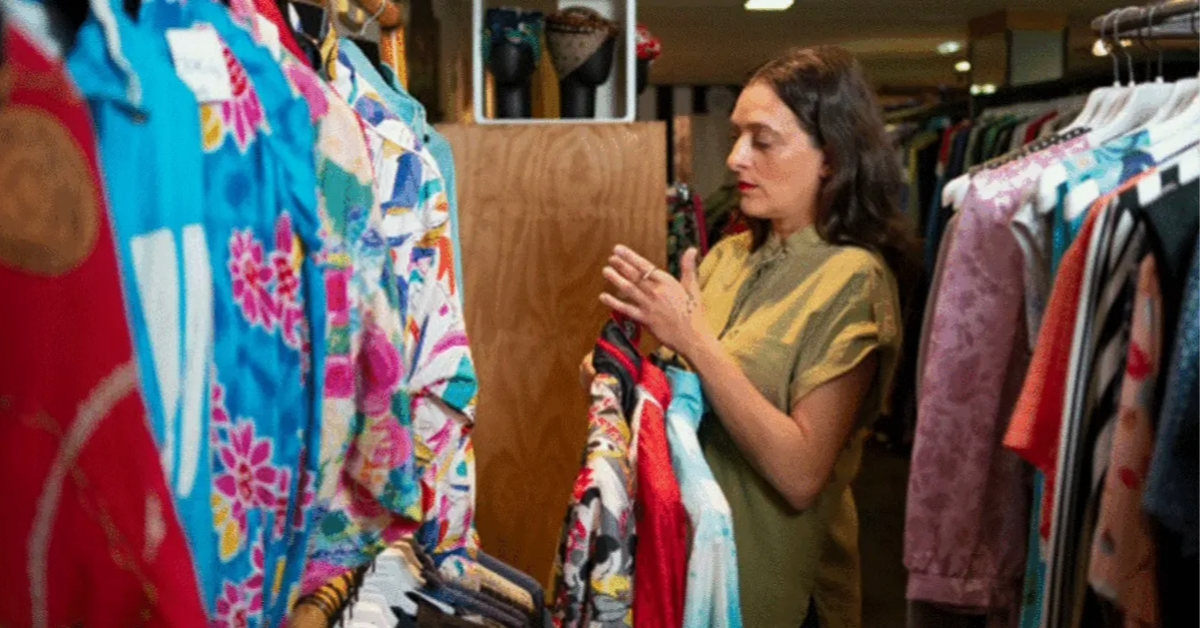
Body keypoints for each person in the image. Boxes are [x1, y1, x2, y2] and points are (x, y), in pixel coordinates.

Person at [583, 45, 919, 627]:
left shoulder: (853, 279)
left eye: (762, 140)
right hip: (690, 572)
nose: (737, 157)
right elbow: (685, 404)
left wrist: (693, 341)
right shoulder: (729, 257)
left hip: (776, 589)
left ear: (831, 158)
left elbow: (800, 474)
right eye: (739, 136)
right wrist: (618, 375)